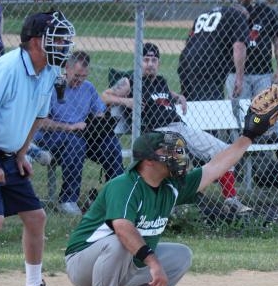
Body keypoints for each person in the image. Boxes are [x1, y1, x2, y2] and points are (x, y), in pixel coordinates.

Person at [64, 90, 278, 286]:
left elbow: (215, 167)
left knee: (181, 255)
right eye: (168, 152)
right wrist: (153, 263)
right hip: (84, 263)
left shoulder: (172, 186)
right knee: (119, 242)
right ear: (148, 161)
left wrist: (249, 136)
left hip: (125, 262)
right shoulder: (125, 185)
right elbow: (123, 228)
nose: (177, 156)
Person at [0, 10, 76, 286]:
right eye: (55, 38)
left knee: (35, 217)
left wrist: (20, 154)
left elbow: (38, 116)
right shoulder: (6, 69)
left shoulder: (47, 70)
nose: (63, 43)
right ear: (34, 42)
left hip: (6, 153)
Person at [103, 43, 251, 213]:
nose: (150, 64)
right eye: (146, 60)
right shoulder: (130, 81)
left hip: (180, 127)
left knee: (224, 150)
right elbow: (105, 96)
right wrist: (127, 101)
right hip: (157, 132)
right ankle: (178, 203)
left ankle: (231, 200)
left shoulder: (160, 81)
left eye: (154, 60)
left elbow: (164, 94)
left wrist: (178, 96)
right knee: (179, 155)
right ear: (138, 62)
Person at [33, 51, 124, 215]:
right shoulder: (52, 86)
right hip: (51, 136)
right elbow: (41, 122)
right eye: (76, 76)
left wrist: (101, 124)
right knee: (76, 142)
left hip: (81, 135)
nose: (80, 80)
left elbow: (99, 112)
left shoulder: (88, 88)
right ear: (66, 68)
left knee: (111, 143)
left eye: (84, 76)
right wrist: (69, 127)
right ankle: (68, 200)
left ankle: (116, 195)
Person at [225, 0, 278, 141]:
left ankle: (276, 143)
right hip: (235, 73)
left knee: (268, 110)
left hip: (263, 72)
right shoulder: (228, 13)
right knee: (237, 112)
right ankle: (237, 147)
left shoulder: (267, 12)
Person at [178, 0, 249, 102]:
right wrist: (239, 78)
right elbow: (239, 46)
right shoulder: (238, 15)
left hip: (185, 61)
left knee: (190, 102)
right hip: (209, 64)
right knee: (210, 103)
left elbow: (189, 41)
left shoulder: (205, 14)